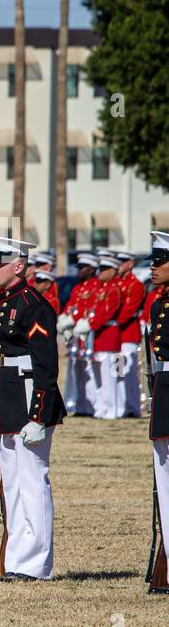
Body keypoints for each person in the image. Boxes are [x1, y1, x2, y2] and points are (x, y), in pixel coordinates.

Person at [0, 235, 63, 581]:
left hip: (30, 391)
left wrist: (39, 414)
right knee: (12, 483)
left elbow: (46, 364)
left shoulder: (34, 304)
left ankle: (36, 563)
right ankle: (16, 558)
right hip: (8, 392)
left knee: (32, 480)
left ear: (18, 265)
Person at [146, 233, 169, 594]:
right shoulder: (157, 305)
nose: (153, 267)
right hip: (164, 386)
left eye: (160, 261)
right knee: (163, 475)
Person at [82, 254, 123, 420]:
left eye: (105, 269)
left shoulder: (114, 289)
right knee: (101, 376)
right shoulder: (102, 289)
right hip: (101, 336)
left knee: (111, 376)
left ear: (113, 271)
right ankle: (103, 407)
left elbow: (107, 313)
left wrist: (91, 324)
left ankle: (113, 409)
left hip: (110, 337)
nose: (101, 272)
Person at [58, 252, 99, 416]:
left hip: (88, 333)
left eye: (83, 268)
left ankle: (92, 405)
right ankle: (80, 404)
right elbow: (71, 306)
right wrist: (65, 319)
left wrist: (73, 319)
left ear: (91, 269)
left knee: (90, 372)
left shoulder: (95, 287)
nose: (79, 270)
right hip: (77, 333)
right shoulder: (77, 288)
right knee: (77, 371)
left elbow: (88, 309)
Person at [116, 250, 146, 417]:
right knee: (119, 371)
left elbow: (128, 311)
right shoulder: (117, 283)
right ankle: (121, 405)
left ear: (130, 263)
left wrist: (111, 319)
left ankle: (133, 407)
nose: (120, 265)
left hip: (128, 335)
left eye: (123, 261)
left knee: (129, 372)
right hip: (117, 336)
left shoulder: (135, 285)